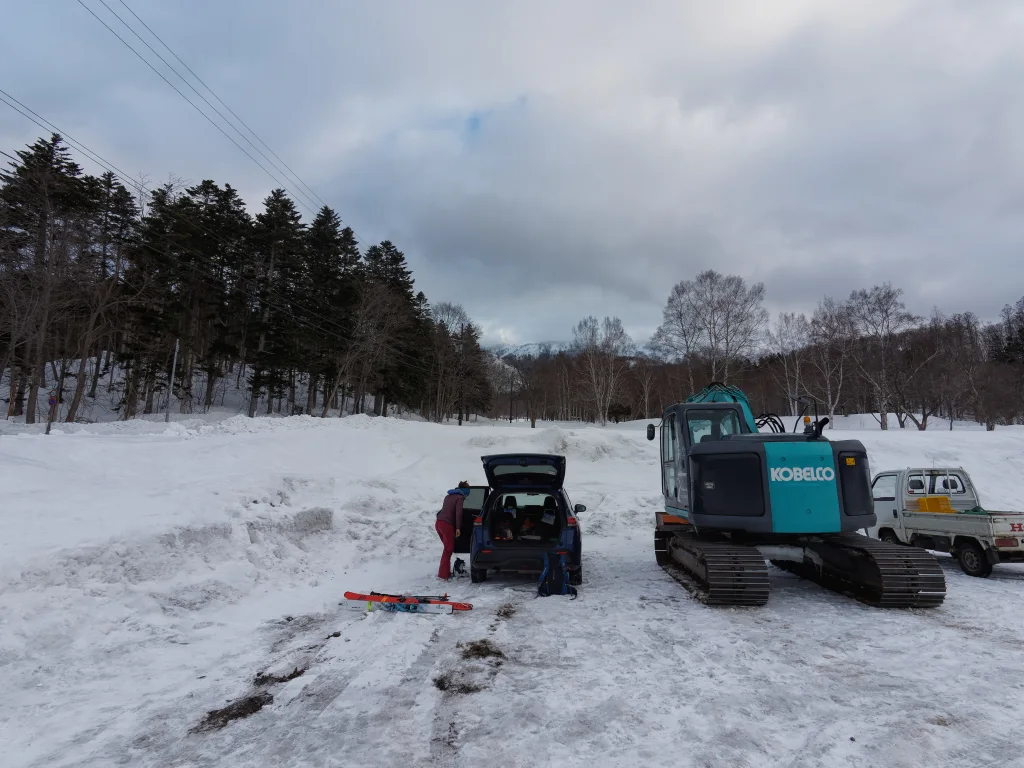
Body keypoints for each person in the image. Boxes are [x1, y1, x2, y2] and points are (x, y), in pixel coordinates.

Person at [436, 481, 470, 579]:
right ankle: (444, 575)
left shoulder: (448, 496)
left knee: (447, 549)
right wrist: (458, 528)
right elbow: (458, 514)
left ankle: (444, 572)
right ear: (465, 491)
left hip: (438, 523)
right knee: (448, 549)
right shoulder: (459, 498)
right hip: (447, 525)